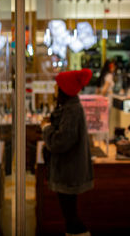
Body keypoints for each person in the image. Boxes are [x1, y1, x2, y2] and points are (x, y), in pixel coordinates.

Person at [41, 69, 93, 236]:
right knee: (70, 217)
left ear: (64, 88)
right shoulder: (69, 107)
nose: (54, 88)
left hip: (68, 172)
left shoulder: (72, 110)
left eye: (57, 85)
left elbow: (60, 142)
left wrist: (46, 129)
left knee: (71, 218)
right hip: (68, 170)